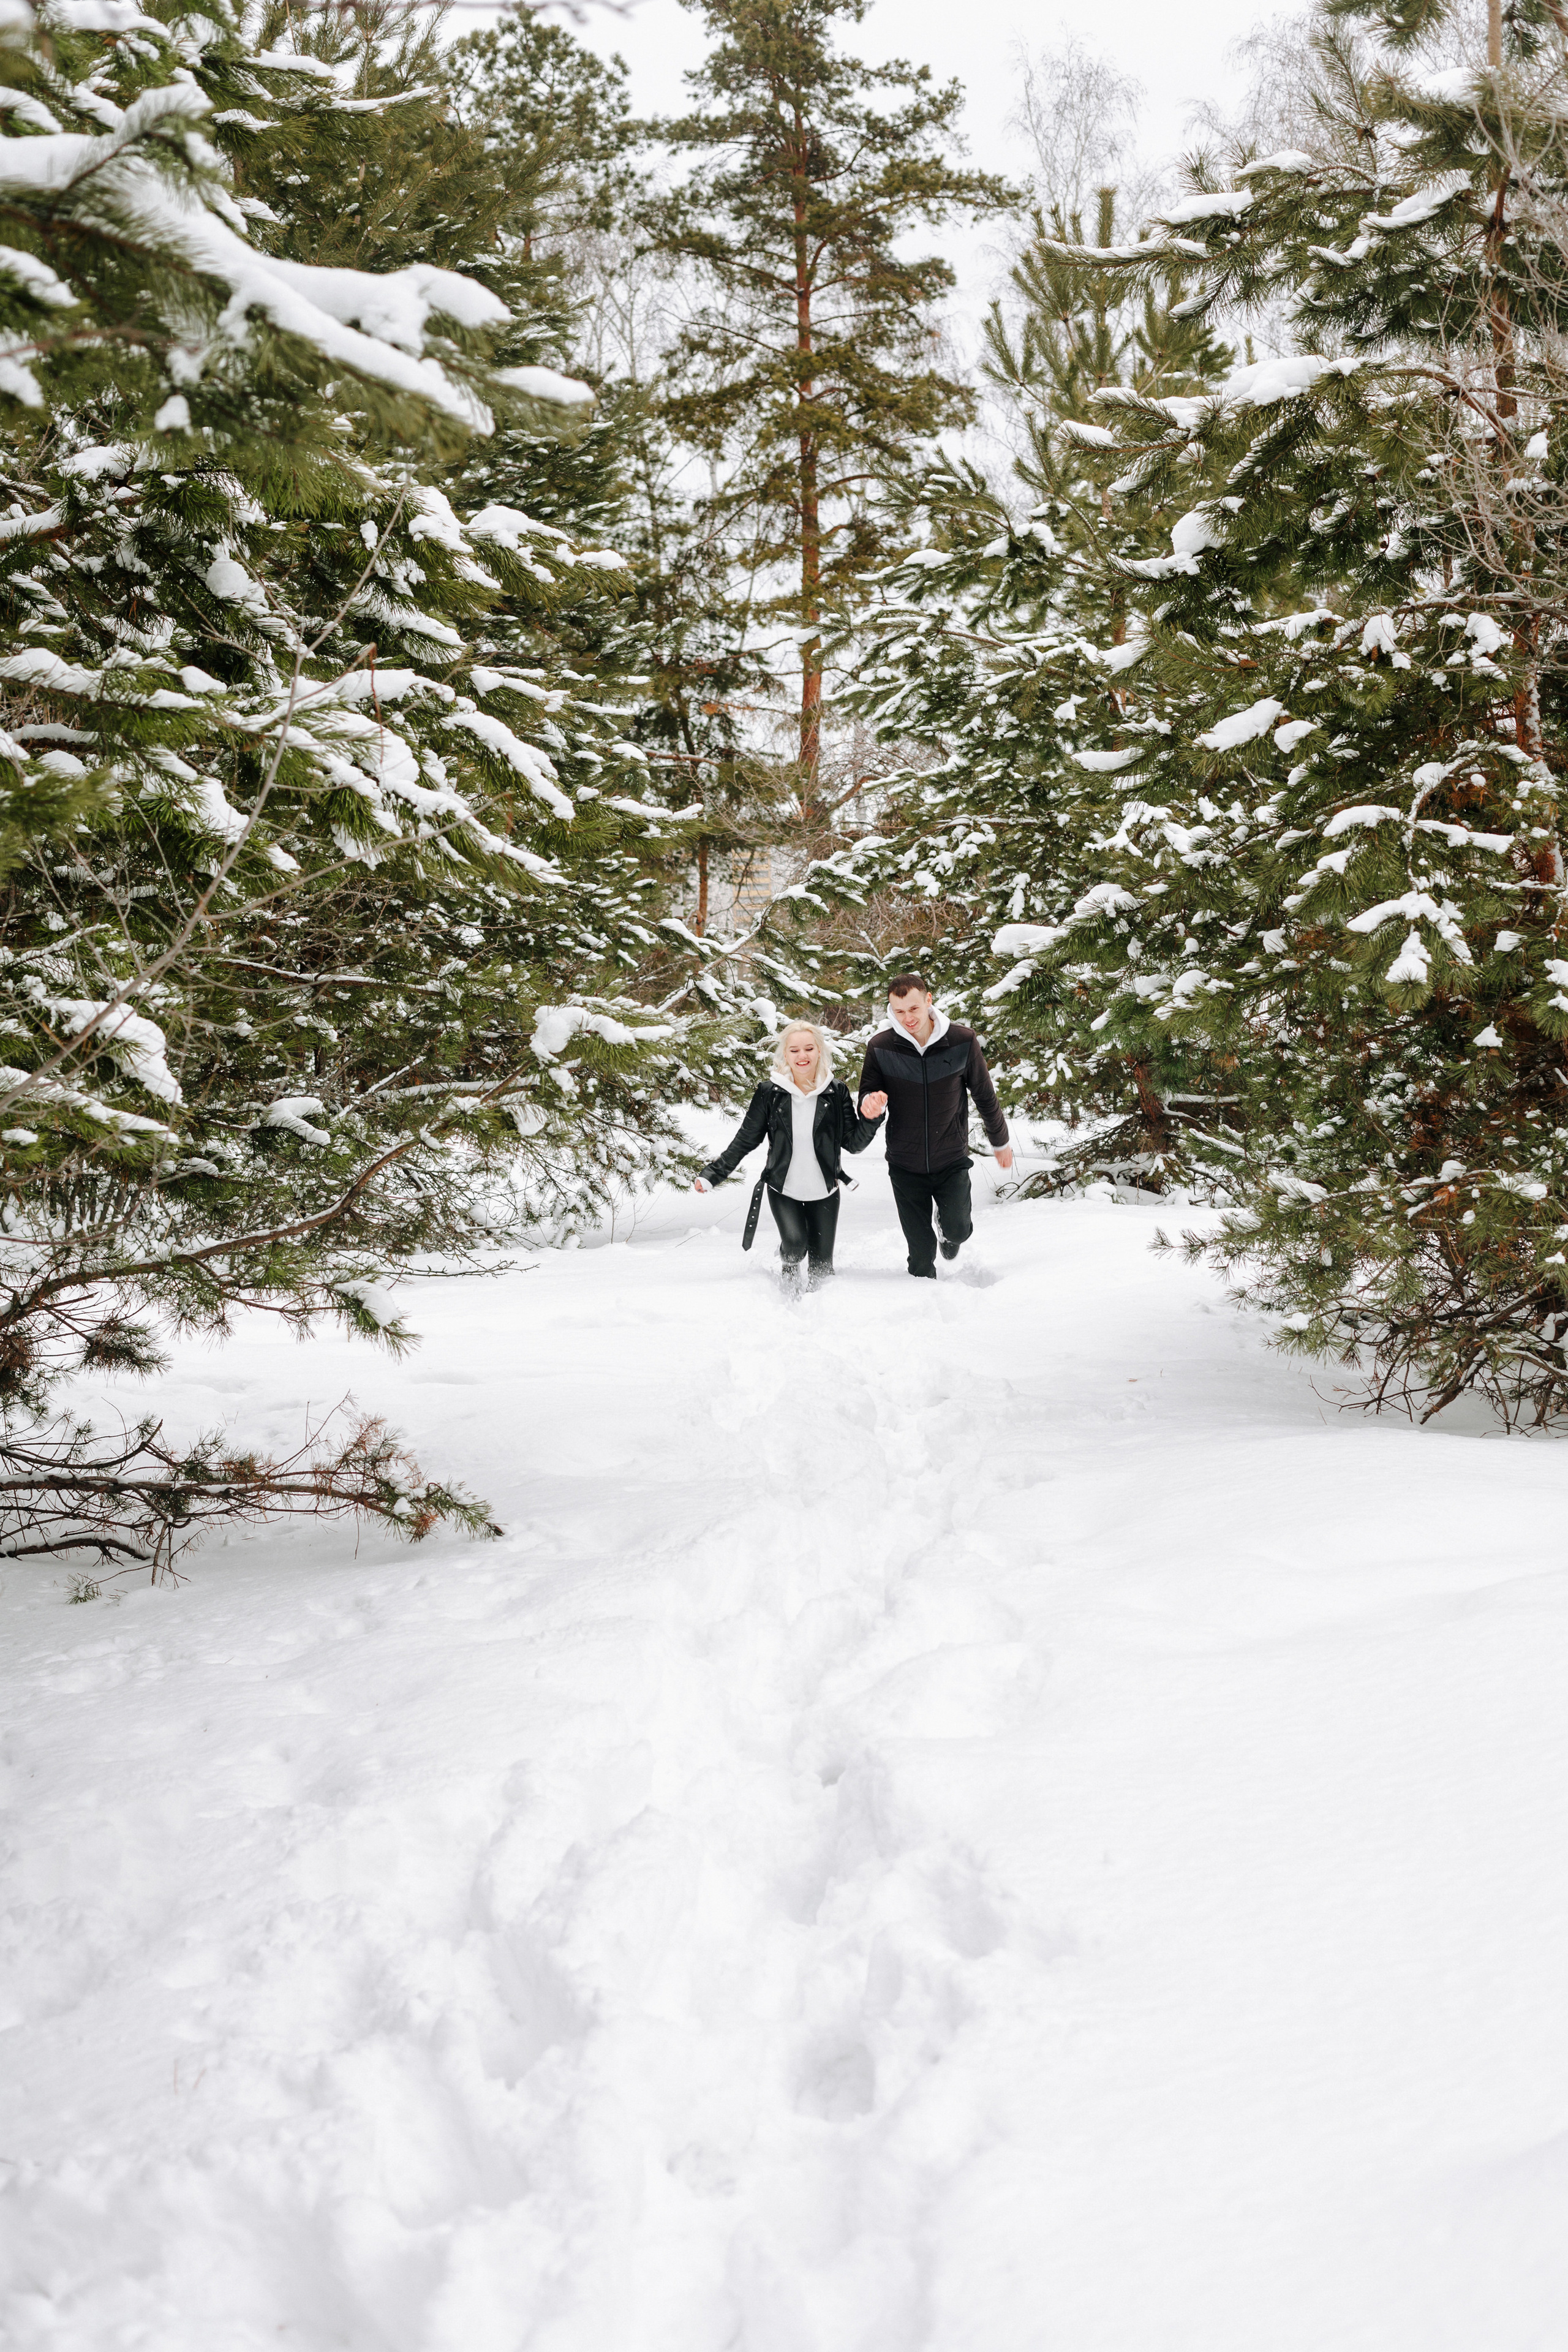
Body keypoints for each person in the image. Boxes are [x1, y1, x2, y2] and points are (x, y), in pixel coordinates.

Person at [693, 1022, 883, 1286]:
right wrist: (713, 1175)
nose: (802, 1056)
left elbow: (853, 1144)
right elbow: (745, 1140)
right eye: (794, 1050)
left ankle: (819, 1316)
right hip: (784, 1189)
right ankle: (787, 1265)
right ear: (786, 1055)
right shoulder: (769, 1093)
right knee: (794, 1247)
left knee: (822, 1272)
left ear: (819, 1051)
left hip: (825, 1191)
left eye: (808, 1048)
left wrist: (872, 1119)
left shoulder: (836, 1091)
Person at [858, 973, 1013, 1279]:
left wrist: (1000, 1142)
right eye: (899, 1012)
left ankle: (947, 1229)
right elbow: (868, 1094)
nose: (907, 1018)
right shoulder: (881, 1047)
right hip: (905, 1163)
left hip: (950, 1158)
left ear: (928, 1000)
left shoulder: (962, 1041)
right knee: (920, 1256)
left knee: (959, 1231)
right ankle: (923, 1311)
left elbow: (985, 1095)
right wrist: (869, 1105)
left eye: (913, 1009)